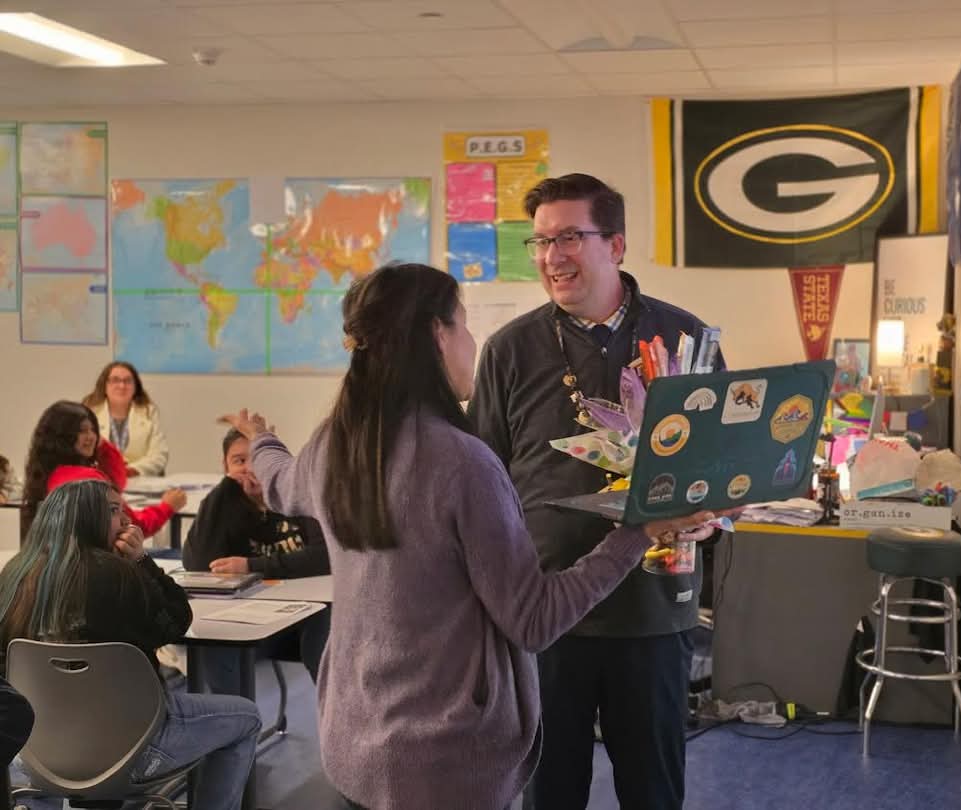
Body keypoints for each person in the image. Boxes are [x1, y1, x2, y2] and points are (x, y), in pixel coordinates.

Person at [218, 262, 714, 810]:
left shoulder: (337, 443)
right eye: (464, 323)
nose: (472, 340)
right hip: (443, 756)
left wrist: (261, 439)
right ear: (437, 334)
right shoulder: (462, 464)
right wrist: (637, 532)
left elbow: (283, 483)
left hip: (353, 742)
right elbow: (534, 619)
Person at [467, 173, 725, 810]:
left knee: (653, 785)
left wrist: (711, 515)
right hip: (547, 607)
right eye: (541, 241)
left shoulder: (687, 339)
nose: (553, 256)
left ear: (615, 243)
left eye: (569, 238)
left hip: (653, 602)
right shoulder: (509, 350)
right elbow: (482, 479)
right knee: (551, 789)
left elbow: (720, 467)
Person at [0, 479, 260, 810]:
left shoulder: (14, 575)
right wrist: (142, 561)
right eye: (113, 511)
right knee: (246, 717)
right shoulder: (117, 574)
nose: (126, 521)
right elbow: (175, 622)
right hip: (132, 746)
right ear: (84, 518)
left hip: (35, 752)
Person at [183, 427, 330, 684]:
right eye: (239, 461)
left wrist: (252, 565)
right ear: (225, 466)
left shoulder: (295, 500)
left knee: (325, 624)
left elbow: (323, 556)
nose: (250, 468)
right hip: (244, 618)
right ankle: (236, 720)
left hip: (300, 617)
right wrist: (226, 487)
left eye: (256, 459)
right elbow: (198, 564)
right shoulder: (223, 504)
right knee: (211, 641)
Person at [20, 401, 185, 541]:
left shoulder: (47, 474)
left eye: (93, 430)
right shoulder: (89, 478)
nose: (91, 436)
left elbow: (117, 483)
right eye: (83, 431)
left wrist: (101, 445)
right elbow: (133, 526)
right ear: (63, 436)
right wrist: (167, 507)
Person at [83, 361, 168, 477]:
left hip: (141, 481)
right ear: (105, 385)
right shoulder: (89, 412)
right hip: (102, 481)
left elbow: (159, 455)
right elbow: (82, 453)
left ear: (135, 387)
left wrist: (132, 470)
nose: (122, 386)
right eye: (115, 380)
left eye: (128, 381)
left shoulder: (148, 412)